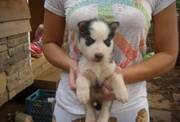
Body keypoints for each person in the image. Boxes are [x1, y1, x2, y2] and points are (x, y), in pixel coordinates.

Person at [42, 0, 178, 122]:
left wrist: (119, 77)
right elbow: (49, 43)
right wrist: (75, 67)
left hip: (129, 106)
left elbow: (168, 54)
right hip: (73, 104)